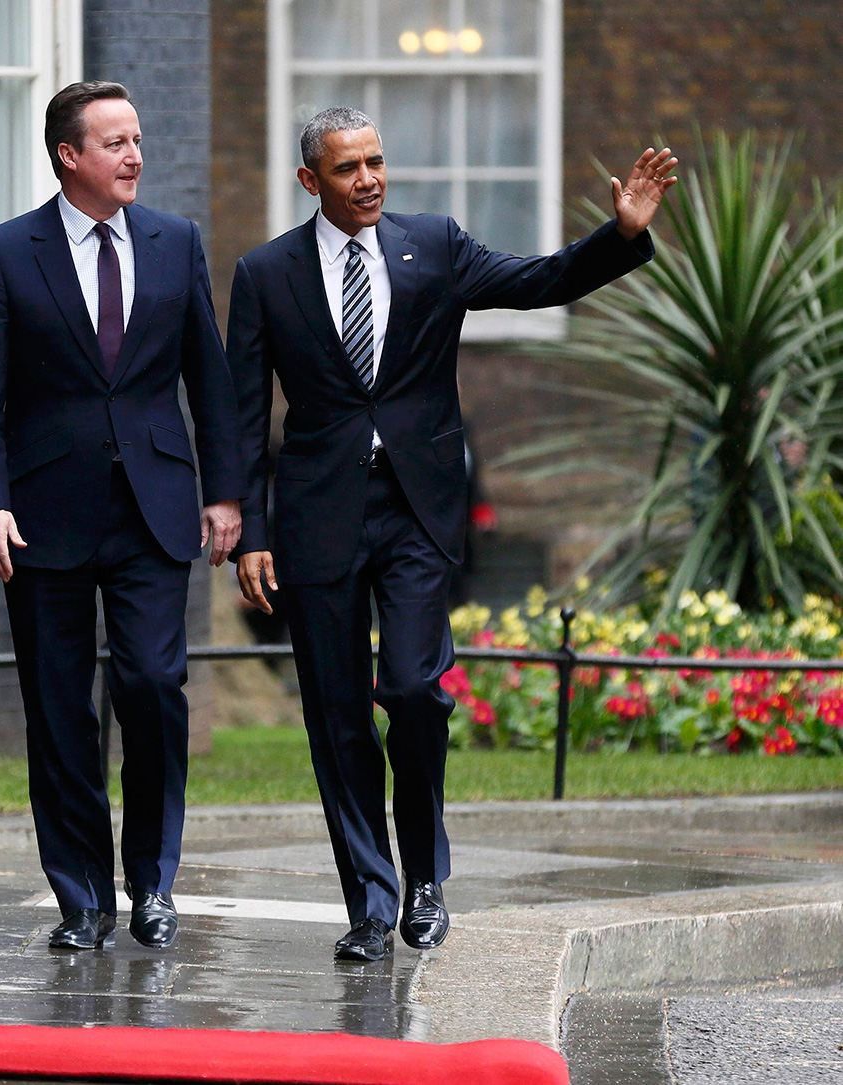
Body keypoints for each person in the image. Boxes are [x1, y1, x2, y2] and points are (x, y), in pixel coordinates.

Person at [227, 107, 675, 962]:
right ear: (309, 180)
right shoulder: (266, 274)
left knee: (413, 689)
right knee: (335, 715)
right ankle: (368, 900)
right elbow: (246, 417)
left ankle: (426, 878)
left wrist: (617, 237)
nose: (368, 179)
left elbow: (539, 279)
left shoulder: (432, 243)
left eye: (376, 161)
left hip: (417, 508)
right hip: (318, 515)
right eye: (348, 167)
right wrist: (250, 529)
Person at [0, 81, 243, 951]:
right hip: (44, 514)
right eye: (114, 142)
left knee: (153, 688)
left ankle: (153, 883)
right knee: (58, 706)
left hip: (155, 509)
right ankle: (81, 894)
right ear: (68, 156)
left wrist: (225, 490)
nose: (134, 155)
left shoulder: (175, 242)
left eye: (138, 138)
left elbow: (211, 375)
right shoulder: (8, 252)